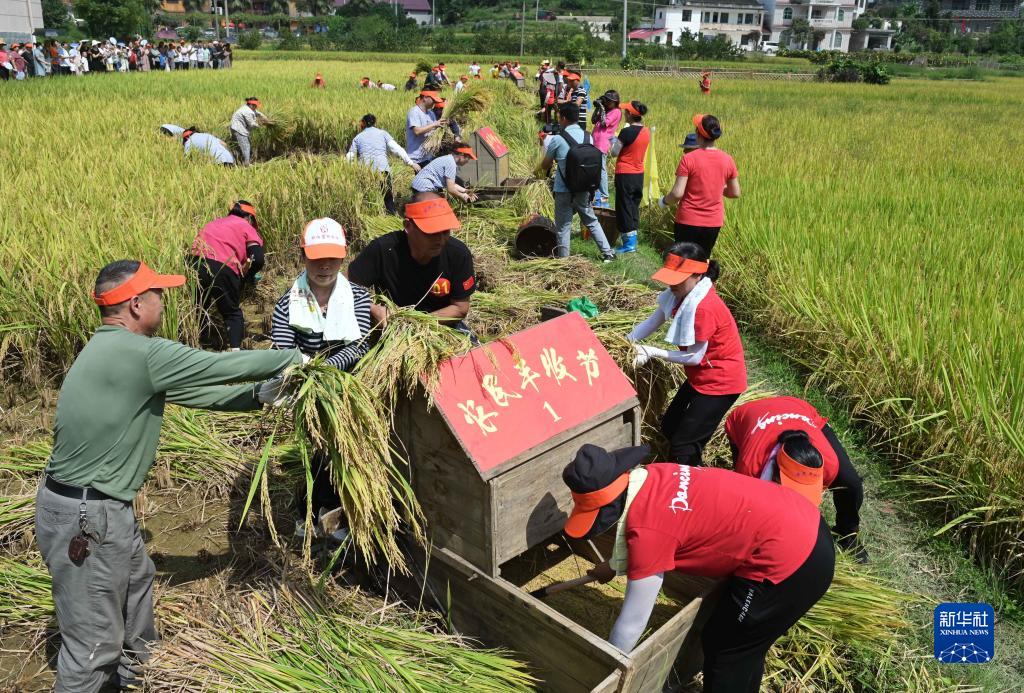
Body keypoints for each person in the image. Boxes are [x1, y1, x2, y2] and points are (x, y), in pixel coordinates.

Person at [35, 260, 302, 692]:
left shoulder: (109, 350)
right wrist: (294, 358)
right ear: (136, 304)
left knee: (137, 584)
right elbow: (217, 367)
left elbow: (198, 393)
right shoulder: (141, 354)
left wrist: (258, 397)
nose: (164, 301)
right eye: (158, 293)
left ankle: (137, 678)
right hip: (87, 516)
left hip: (94, 508)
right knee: (91, 648)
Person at [561, 444, 835, 693]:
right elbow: (662, 520)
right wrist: (613, 565)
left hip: (794, 562)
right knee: (745, 647)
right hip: (805, 522)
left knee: (726, 648)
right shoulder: (655, 474)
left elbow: (633, 622)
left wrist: (605, 672)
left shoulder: (650, 533)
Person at [271, 219, 373, 537]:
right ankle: (314, 515)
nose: (325, 266)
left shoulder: (358, 296)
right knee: (318, 450)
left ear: (344, 256)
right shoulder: (287, 304)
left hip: (349, 388)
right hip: (308, 391)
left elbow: (359, 345)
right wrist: (309, 376)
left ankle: (335, 514)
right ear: (303, 256)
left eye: (332, 258)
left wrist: (325, 369)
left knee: (347, 451)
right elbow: (284, 353)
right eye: (316, 258)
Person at [630, 243, 747, 465]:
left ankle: (691, 479)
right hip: (699, 376)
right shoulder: (679, 295)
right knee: (669, 427)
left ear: (697, 275)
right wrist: (625, 342)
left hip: (721, 382)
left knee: (684, 446)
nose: (671, 284)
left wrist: (652, 351)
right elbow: (653, 322)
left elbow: (694, 357)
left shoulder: (704, 307)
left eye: (678, 279)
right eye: (669, 278)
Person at [725, 396, 867, 562]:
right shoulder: (750, 468)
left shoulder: (829, 464)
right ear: (776, 474)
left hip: (798, 408)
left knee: (851, 483)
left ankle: (848, 534)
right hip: (748, 414)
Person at [348, 194, 476, 334]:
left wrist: (415, 323)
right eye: (432, 232)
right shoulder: (383, 250)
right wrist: (372, 309)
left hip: (441, 325)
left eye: (445, 231)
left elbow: (460, 308)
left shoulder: (458, 254)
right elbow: (344, 287)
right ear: (408, 226)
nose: (440, 240)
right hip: (390, 327)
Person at [536, 103, 615, 262]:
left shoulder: (558, 139)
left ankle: (564, 261)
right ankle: (608, 253)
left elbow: (545, 165)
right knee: (591, 221)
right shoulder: (588, 137)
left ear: (564, 118)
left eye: (560, 117)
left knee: (563, 226)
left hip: (563, 189)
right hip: (584, 188)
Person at [187, 200, 265, 350]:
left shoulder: (213, 223)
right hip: (222, 267)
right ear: (249, 218)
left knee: (199, 307)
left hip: (194, 264)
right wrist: (247, 278)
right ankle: (236, 351)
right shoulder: (245, 225)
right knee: (232, 313)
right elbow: (258, 259)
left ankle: (202, 344)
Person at [660, 114, 740, 255]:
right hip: (713, 222)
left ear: (698, 133)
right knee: (703, 260)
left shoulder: (688, 159)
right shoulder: (728, 159)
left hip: (688, 220)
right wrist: (717, 187)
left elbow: (677, 193)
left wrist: (664, 201)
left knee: (683, 261)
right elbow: (735, 192)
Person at [347, 113, 421, 215]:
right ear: (375, 123)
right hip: (383, 170)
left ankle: (371, 217)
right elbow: (397, 149)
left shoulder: (358, 137)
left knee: (367, 198)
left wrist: (352, 169)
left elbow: (350, 156)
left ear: (363, 123)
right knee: (388, 198)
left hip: (365, 172)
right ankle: (392, 217)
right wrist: (411, 163)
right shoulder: (383, 133)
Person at [612, 101, 650, 255]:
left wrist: (613, 141)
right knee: (633, 206)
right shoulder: (646, 131)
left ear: (629, 114)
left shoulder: (626, 132)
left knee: (624, 207)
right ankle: (632, 240)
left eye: (626, 111)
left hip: (625, 174)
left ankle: (628, 245)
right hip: (638, 174)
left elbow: (614, 152)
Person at [410, 143, 478, 203]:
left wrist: (465, 191)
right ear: (461, 155)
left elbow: (451, 184)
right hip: (423, 186)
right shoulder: (451, 164)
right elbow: (451, 189)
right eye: (468, 158)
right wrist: (463, 196)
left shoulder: (449, 159)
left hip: (418, 184)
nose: (468, 161)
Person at [590, 89, 622, 208]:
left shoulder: (616, 112)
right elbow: (594, 120)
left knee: (601, 169)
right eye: (606, 100)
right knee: (596, 169)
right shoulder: (607, 110)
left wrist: (602, 108)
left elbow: (604, 123)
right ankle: (597, 194)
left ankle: (604, 196)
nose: (608, 102)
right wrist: (598, 108)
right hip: (595, 141)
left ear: (615, 102)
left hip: (602, 143)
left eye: (610, 101)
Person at [405, 90, 448, 166]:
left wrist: (442, 125)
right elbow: (417, 131)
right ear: (425, 98)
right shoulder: (414, 112)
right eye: (433, 100)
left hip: (427, 157)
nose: (434, 103)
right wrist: (434, 124)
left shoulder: (431, 113)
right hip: (415, 158)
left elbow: (434, 130)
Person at [230, 96, 267, 166]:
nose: (256, 107)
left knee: (238, 147)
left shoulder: (247, 108)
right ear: (251, 105)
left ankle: (237, 161)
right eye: (255, 105)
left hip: (235, 128)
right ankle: (246, 164)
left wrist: (265, 118)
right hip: (239, 130)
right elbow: (252, 124)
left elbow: (257, 113)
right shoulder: (247, 112)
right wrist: (262, 125)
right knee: (246, 146)